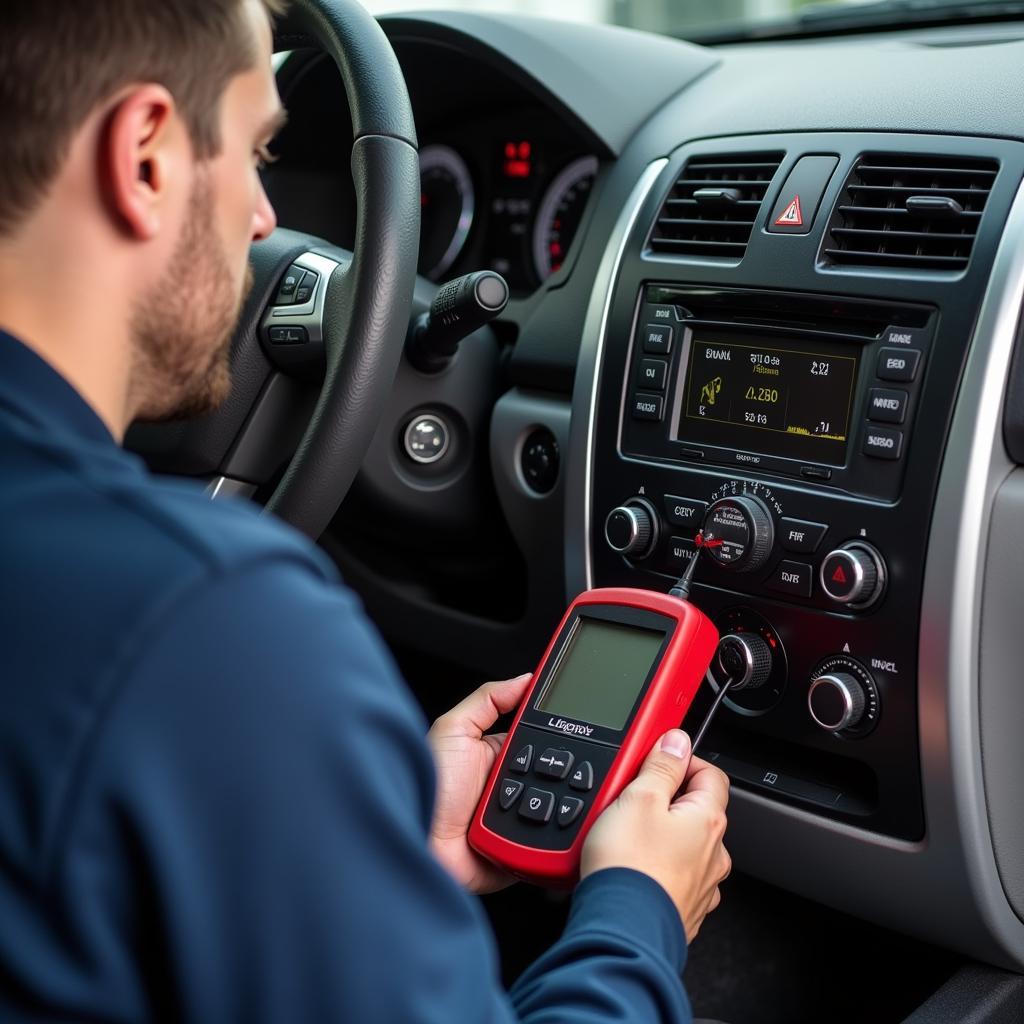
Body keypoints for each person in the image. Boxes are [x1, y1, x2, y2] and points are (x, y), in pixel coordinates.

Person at [0, 1, 732, 1021]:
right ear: (147, 157)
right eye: (258, 150)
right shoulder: (207, 621)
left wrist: (372, 843)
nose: (264, 222)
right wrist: (635, 911)